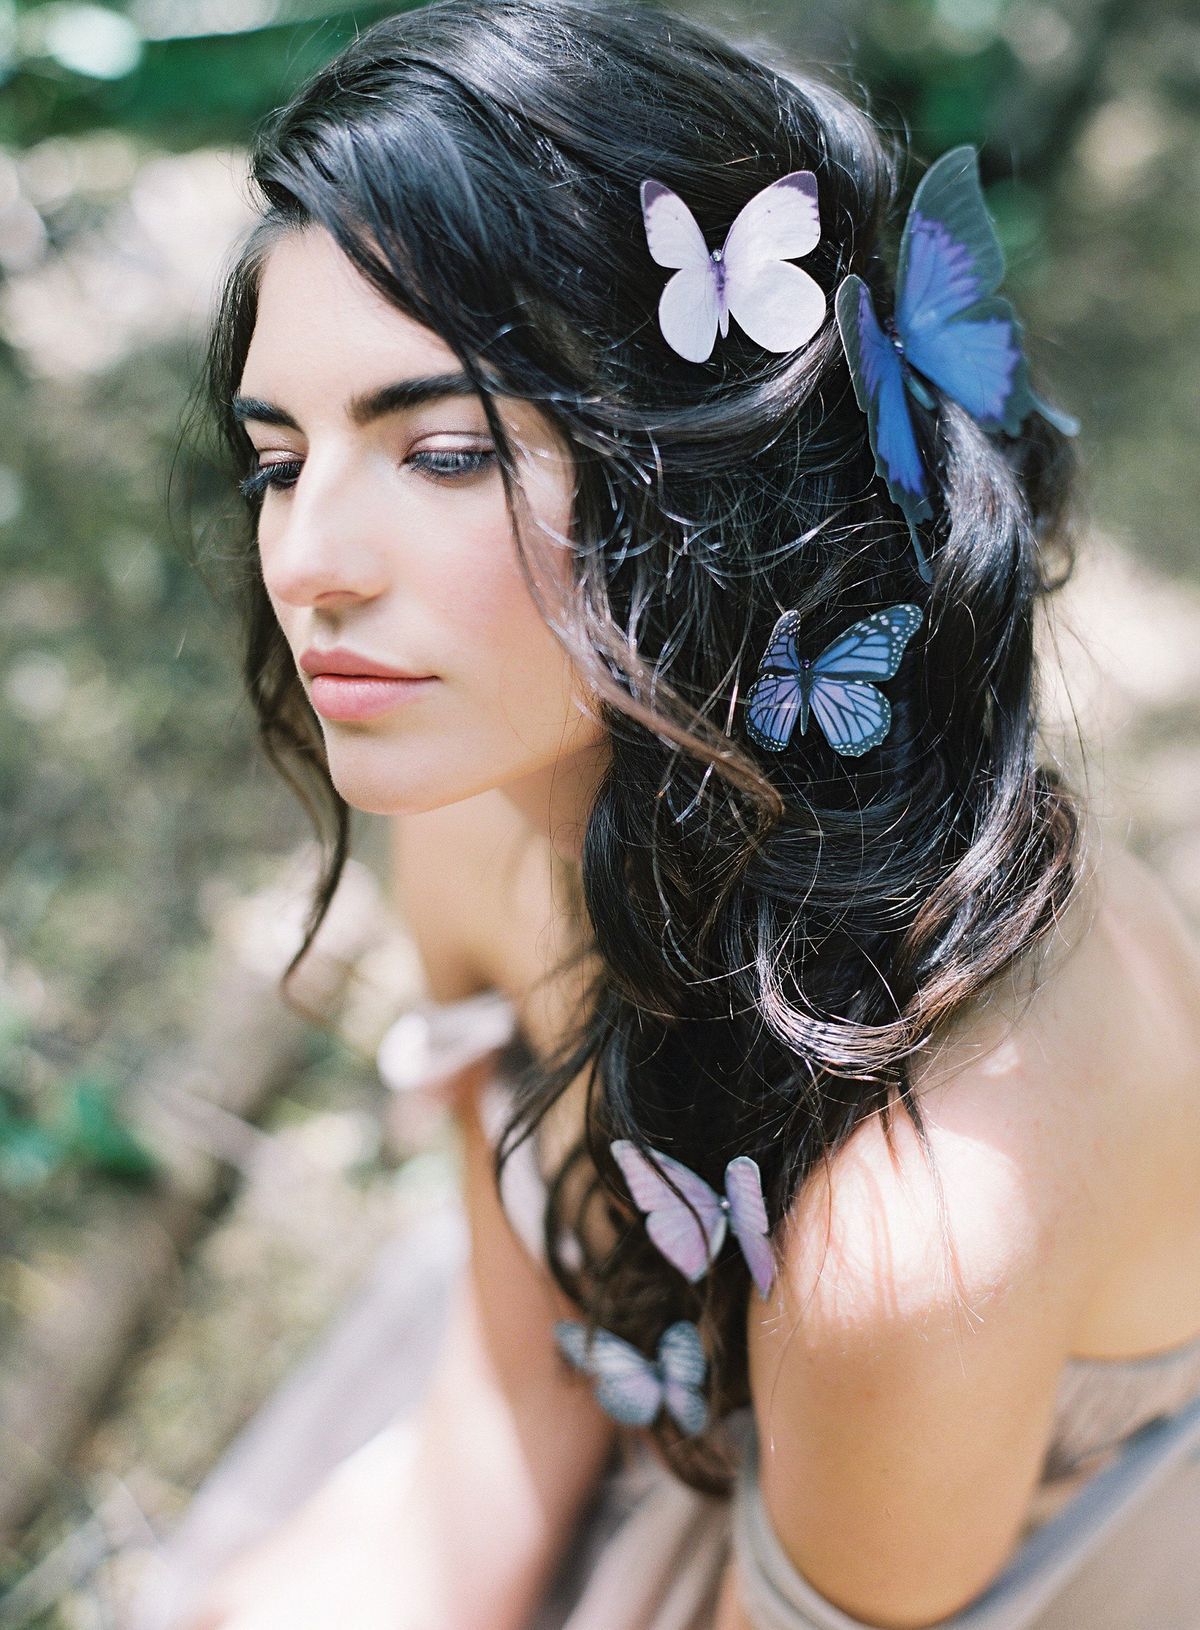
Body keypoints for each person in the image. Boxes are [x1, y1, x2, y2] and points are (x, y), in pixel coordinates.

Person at [180, 1, 1200, 1625]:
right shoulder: (479, 802)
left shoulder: (919, 1224)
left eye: (439, 451)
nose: (305, 557)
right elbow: (520, 1392)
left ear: (704, 480)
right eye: (277, 461)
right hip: (692, 1461)